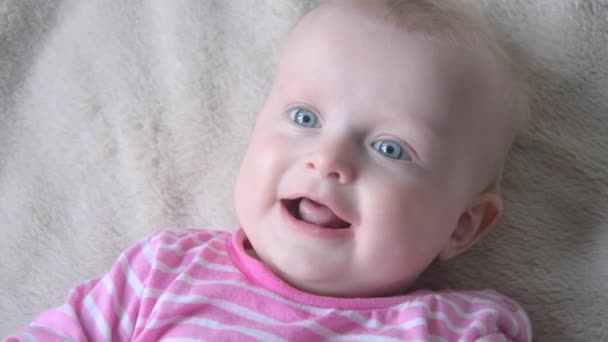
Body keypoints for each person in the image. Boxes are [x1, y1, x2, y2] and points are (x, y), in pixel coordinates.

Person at [6, 0, 532, 340]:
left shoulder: (451, 330)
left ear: (463, 224)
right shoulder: (164, 271)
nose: (328, 160)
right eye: (305, 118)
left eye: (391, 149)